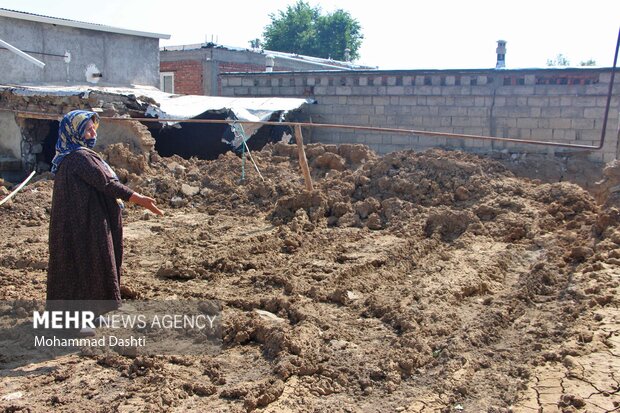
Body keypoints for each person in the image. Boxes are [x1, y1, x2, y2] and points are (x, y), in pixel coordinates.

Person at [47, 110, 162, 334]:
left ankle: (92, 314)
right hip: (83, 225)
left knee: (91, 265)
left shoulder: (70, 156)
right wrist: (139, 199)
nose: (92, 133)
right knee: (85, 266)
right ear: (75, 132)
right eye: (88, 129)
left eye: (93, 129)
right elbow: (107, 184)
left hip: (82, 221)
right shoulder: (79, 157)